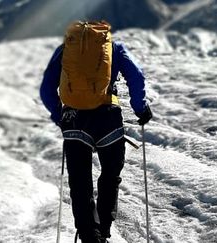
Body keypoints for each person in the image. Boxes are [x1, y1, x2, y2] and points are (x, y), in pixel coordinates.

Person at [40, 21, 152, 243]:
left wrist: (59, 116)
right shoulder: (114, 48)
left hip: (74, 121)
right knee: (110, 177)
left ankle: (90, 236)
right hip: (108, 119)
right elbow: (136, 76)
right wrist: (141, 108)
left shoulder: (66, 49)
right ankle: (104, 232)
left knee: (80, 183)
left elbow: (46, 88)